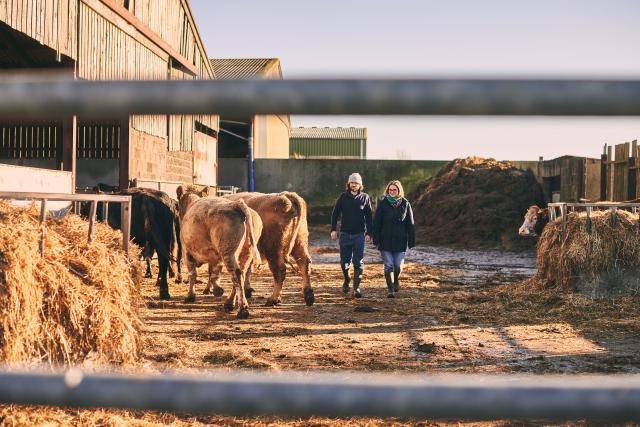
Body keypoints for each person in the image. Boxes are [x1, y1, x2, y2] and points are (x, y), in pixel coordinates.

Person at [330, 172, 373, 298]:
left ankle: (357, 288)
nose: (354, 185)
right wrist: (333, 229)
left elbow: (369, 216)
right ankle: (347, 278)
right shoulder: (343, 197)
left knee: (358, 261)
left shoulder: (365, 197)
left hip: (359, 234)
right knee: (344, 262)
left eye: (356, 183)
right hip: (345, 234)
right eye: (352, 182)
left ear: (360, 185)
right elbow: (335, 214)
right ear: (349, 184)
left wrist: (369, 233)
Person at [372, 180, 415, 298]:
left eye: (394, 190)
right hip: (385, 241)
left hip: (400, 241)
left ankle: (396, 279)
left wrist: (411, 240)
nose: (392, 192)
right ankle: (390, 289)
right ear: (387, 191)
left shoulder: (405, 204)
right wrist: (375, 239)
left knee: (398, 266)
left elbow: (410, 224)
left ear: (399, 191)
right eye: (390, 190)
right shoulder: (383, 203)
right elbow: (377, 223)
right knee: (389, 265)